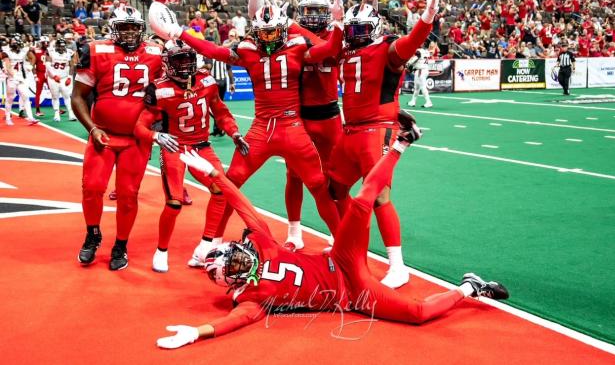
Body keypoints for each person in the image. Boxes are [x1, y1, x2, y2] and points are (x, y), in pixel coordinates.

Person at [155, 112, 509, 348]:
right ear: (232, 282)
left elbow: (242, 205)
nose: (239, 261)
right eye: (232, 269)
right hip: (353, 294)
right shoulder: (252, 298)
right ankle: (469, 287)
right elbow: (231, 323)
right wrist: (196, 333)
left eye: (232, 256)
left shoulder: (262, 244)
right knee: (417, 315)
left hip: (340, 258)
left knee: (361, 203)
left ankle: (401, 143)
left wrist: (213, 174)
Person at [148, 0, 343, 267]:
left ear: (283, 28)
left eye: (274, 31)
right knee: (230, 182)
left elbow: (331, 48)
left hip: (291, 127)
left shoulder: (298, 45)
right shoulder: (249, 49)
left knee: (319, 186)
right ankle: (210, 243)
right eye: (263, 32)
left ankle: (342, 243)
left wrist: (338, 25)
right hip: (262, 128)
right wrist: (181, 32)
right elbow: (214, 51)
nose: (268, 38)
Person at [325, 0, 439, 289]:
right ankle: (351, 246)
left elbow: (410, 41)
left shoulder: (387, 49)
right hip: (351, 130)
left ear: (374, 28)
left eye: (362, 28)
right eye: (353, 28)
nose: (356, 33)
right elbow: (366, 7)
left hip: (376, 130)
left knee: (378, 196)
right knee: (335, 189)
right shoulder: (346, 48)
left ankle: (397, 265)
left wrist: (427, 18)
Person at [247, 0, 344, 251]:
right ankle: (294, 231)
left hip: (329, 115)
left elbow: (326, 46)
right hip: (299, 115)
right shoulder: (289, 34)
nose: (313, 16)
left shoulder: (334, 34)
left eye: (318, 11)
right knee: (294, 175)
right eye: (308, 11)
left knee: (334, 177)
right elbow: (258, 16)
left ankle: (340, 231)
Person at [134, 40, 247, 273]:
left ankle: (205, 247)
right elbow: (139, 126)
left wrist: (234, 132)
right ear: (168, 63)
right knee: (174, 202)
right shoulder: (159, 88)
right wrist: (156, 137)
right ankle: (161, 250)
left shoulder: (207, 81)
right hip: (175, 146)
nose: (185, 65)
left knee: (221, 192)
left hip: (201, 146)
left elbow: (221, 112)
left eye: (188, 59)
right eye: (179, 60)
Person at [71, 6, 164, 271]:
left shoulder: (157, 52)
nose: (130, 32)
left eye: (134, 27)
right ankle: (93, 233)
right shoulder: (98, 50)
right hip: (103, 135)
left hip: (136, 138)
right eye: (124, 27)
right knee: (92, 189)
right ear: (114, 28)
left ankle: (121, 244)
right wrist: (91, 128)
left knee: (128, 195)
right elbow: (78, 96)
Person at [2, 35, 39, 125]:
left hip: (21, 77)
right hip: (12, 78)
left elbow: (32, 56)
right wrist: (14, 76)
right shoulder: (7, 52)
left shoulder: (23, 51)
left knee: (25, 96)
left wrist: (30, 65)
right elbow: (8, 67)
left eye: (20, 45)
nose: (19, 47)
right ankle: (8, 118)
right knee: (10, 98)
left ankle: (31, 118)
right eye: (18, 45)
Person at [46, 38, 76, 121]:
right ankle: (56, 114)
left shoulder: (69, 52)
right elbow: (48, 65)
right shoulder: (51, 52)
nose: (62, 48)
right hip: (53, 78)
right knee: (55, 96)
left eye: (63, 46)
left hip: (64, 77)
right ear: (57, 46)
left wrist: (69, 77)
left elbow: (72, 65)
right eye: (60, 46)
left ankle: (71, 114)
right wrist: (54, 75)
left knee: (67, 96)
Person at [32, 35, 48, 116]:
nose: (46, 44)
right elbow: (33, 65)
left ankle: (58, 108)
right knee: (38, 92)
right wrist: (35, 76)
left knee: (54, 91)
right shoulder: (36, 51)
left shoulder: (50, 51)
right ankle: (37, 110)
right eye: (44, 43)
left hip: (48, 73)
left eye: (46, 42)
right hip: (40, 73)